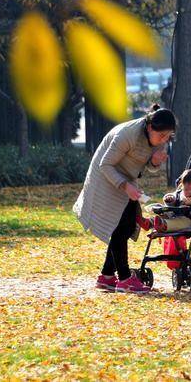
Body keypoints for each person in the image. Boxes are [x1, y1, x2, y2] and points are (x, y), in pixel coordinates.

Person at [73, 105, 176, 293]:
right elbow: (105, 164)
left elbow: (146, 165)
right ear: (150, 127)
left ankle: (106, 276)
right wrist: (124, 185)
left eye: (167, 137)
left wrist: (155, 162)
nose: (164, 140)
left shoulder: (158, 138)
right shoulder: (127, 135)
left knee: (126, 226)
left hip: (126, 180)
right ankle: (125, 278)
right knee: (122, 226)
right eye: (161, 136)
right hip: (106, 177)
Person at [137, 168, 191, 270]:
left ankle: (162, 225)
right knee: (163, 211)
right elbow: (173, 196)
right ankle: (149, 223)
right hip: (174, 215)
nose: (189, 192)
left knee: (177, 222)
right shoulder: (180, 194)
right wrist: (169, 199)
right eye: (186, 189)